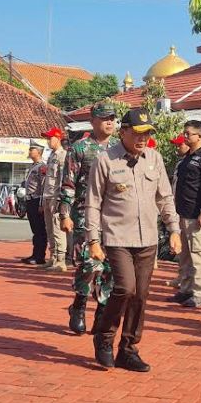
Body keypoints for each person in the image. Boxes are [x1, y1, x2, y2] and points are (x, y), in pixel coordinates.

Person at [88, 108, 181, 371]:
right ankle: (104, 337)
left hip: (148, 238)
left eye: (148, 133)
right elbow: (93, 202)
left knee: (140, 295)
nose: (143, 138)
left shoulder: (154, 158)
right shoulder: (106, 160)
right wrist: (93, 240)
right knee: (124, 289)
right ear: (123, 132)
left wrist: (173, 229)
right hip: (117, 236)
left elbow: (164, 197)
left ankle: (128, 349)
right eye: (138, 132)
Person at [62, 102, 118, 335]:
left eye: (113, 118)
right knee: (88, 263)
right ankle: (79, 305)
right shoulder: (80, 148)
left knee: (110, 266)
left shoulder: (119, 148)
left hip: (114, 216)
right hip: (85, 215)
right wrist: (65, 213)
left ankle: (102, 313)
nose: (109, 122)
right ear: (93, 121)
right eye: (104, 118)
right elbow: (68, 183)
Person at [168, 121, 201, 308]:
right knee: (185, 255)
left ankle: (198, 293)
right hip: (182, 212)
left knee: (199, 254)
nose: (185, 136)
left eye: (188, 134)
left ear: (199, 136)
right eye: (185, 133)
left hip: (197, 215)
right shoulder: (187, 157)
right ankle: (185, 289)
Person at [41, 127, 68, 272]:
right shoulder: (51, 155)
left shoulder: (62, 156)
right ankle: (52, 257)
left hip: (56, 197)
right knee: (49, 229)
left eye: (50, 138)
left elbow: (62, 180)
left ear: (58, 138)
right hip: (47, 196)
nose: (47, 141)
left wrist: (59, 199)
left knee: (58, 229)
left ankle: (60, 261)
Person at [165, 134, 190, 289]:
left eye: (180, 145)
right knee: (183, 250)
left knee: (193, 251)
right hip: (178, 208)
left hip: (191, 211)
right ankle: (182, 276)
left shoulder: (197, 161)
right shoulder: (181, 163)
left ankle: (191, 284)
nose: (177, 147)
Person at [22, 140, 47, 265]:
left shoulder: (42, 166)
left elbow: (44, 186)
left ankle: (39, 256)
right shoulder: (33, 166)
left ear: (39, 152)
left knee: (40, 230)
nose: (30, 152)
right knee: (35, 230)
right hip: (30, 199)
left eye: (32, 149)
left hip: (37, 200)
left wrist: (42, 204)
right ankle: (35, 254)